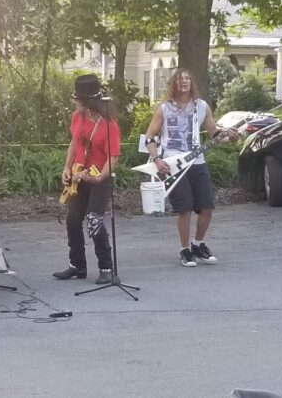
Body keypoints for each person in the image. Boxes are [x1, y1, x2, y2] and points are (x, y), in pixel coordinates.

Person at [144, 68, 237, 267]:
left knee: (207, 206)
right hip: (173, 164)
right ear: (174, 84)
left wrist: (227, 137)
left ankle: (198, 244)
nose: (184, 82)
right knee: (184, 208)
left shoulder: (201, 106)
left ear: (191, 82)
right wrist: (156, 159)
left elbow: (214, 133)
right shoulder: (164, 108)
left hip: (197, 161)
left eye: (187, 78)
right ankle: (184, 249)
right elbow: (150, 137)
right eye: (179, 79)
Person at [53, 74, 121, 285]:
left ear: (87, 101)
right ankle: (77, 265)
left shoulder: (109, 125)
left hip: (99, 177)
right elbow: (74, 143)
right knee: (73, 219)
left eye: (77, 99)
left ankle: (106, 267)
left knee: (94, 219)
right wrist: (67, 167)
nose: (74, 102)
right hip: (79, 175)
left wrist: (101, 176)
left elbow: (114, 156)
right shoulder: (77, 117)